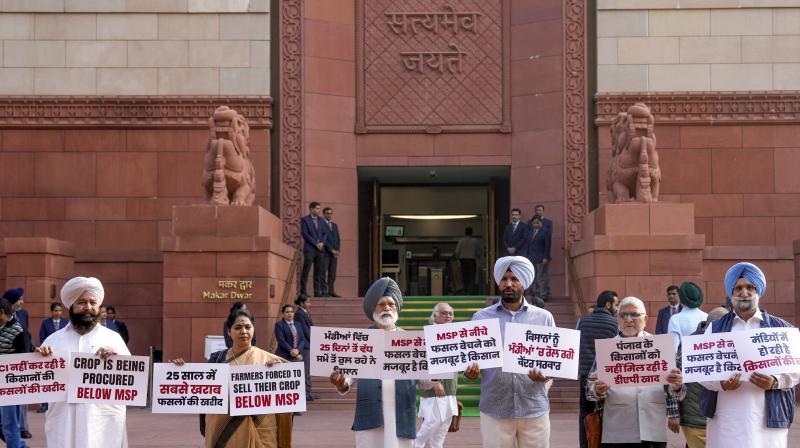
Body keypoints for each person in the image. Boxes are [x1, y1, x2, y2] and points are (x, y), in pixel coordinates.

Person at [699, 262, 800, 447]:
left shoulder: (783, 329)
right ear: (731, 292)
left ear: (758, 291)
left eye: (749, 287)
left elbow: (796, 370)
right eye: (738, 288)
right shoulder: (714, 329)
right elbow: (701, 371)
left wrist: (775, 381)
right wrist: (721, 383)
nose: (744, 293)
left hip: (769, 419)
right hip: (726, 418)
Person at [329, 277, 436, 447]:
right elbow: (346, 379)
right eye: (381, 304)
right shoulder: (360, 342)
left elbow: (425, 381)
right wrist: (341, 382)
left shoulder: (411, 342)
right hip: (370, 416)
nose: (387, 308)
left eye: (391, 304)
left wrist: (438, 372)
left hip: (402, 416)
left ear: (397, 309)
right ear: (373, 309)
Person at [463, 256, 554, 448]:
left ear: (525, 283)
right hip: (495, 409)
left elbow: (554, 362)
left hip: (534, 407)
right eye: (504, 279)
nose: (509, 284)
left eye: (514, 279)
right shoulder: (480, 318)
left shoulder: (544, 318)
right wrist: (469, 373)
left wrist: (545, 377)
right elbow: (469, 360)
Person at [171, 307, 291, 448]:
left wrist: (279, 371)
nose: (243, 331)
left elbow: (288, 396)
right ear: (229, 331)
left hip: (260, 428)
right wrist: (179, 371)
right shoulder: (217, 359)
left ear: (253, 329)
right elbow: (201, 390)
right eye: (238, 327)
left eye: (248, 327)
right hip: (223, 430)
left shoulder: (268, 360)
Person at [35, 276, 130, 448]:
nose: (88, 307)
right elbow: (38, 380)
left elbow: (132, 379)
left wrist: (117, 358)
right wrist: (38, 360)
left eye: (93, 302)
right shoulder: (53, 340)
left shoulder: (113, 338)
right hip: (64, 420)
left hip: (102, 420)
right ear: (71, 306)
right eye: (81, 302)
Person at [585, 296, 683, 448]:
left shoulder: (660, 347)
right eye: (623, 315)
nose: (629, 319)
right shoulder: (608, 349)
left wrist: (677, 386)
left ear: (645, 318)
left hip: (652, 430)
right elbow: (589, 391)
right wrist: (597, 390)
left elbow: (677, 392)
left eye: (634, 314)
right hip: (617, 432)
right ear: (618, 318)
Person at [672, 307, 729, 448]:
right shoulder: (690, 343)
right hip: (696, 418)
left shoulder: (732, 340)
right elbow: (675, 381)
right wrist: (673, 412)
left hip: (725, 417)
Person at [576, 290, 619, 448]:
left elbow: (575, 344)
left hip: (585, 375)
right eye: (616, 304)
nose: (617, 308)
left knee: (585, 415)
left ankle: (585, 444)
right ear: (608, 304)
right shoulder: (615, 324)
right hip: (605, 378)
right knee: (606, 414)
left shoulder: (582, 321)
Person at [415, 303, 458, 448]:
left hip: (450, 388)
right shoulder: (426, 334)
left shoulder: (454, 335)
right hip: (433, 389)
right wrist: (434, 382)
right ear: (435, 315)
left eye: (450, 314)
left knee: (442, 428)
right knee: (431, 423)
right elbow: (420, 362)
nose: (448, 316)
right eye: (444, 313)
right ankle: (415, 445)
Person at [0, 297, 32, 448]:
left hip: (10, 389)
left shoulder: (20, 332)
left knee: (9, 426)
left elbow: (24, 363)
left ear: (1, 312)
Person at [36, 302, 68, 413]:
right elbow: (42, 336)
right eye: (56, 310)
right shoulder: (46, 323)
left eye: (60, 310)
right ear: (52, 311)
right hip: (49, 355)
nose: (58, 312)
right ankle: (45, 404)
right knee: (48, 380)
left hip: (62, 356)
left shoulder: (66, 322)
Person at [666, 281, 707, 351]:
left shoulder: (675, 319)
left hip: (684, 360)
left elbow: (674, 348)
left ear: (681, 298)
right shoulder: (707, 317)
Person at [299, 201, 329, 298]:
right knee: (306, 270)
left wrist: (322, 243)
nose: (318, 210)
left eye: (319, 208)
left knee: (319, 271)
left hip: (320, 250)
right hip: (310, 249)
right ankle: (303, 292)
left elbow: (325, 233)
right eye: (317, 208)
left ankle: (317, 292)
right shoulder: (305, 220)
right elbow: (305, 234)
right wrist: (315, 243)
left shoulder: (322, 220)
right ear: (311, 209)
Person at [294, 295, 318, 401]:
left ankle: (308, 392)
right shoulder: (299, 314)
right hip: (305, 346)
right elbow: (305, 331)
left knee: (307, 369)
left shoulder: (305, 312)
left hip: (308, 344)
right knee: (305, 369)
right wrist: (316, 340)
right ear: (301, 303)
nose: (310, 304)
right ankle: (306, 393)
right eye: (308, 302)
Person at [526, 215, 551, 301]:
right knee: (533, 276)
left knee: (542, 277)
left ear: (541, 223)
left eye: (537, 223)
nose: (535, 224)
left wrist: (546, 257)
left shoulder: (545, 231)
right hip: (532, 258)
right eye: (534, 223)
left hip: (542, 258)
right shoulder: (530, 232)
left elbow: (547, 246)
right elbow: (528, 246)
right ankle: (536, 294)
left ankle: (543, 295)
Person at [454, 227, 482, 294]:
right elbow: (479, 253)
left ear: (465, 232)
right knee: (472, 278)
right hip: (472, 261)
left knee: (464, 278)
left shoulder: (461, 241)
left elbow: (456, 252)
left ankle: (465, 291)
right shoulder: (475, 241)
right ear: (471, 232)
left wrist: (458, 259)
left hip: (463, 261)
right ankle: (471, 292)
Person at [322, 207, 341, 297]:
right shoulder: (321, 224)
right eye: (327, 213)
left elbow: (337, 239)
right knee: (323, 273)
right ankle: (324, 291)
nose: (329, 215)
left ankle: (331, 291)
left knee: (332, 274)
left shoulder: (334, 225)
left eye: (330, 213)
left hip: (334, 254)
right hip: (326, 253)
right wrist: (331, 250)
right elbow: (323, 239)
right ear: (324, 214)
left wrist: (337, 250)